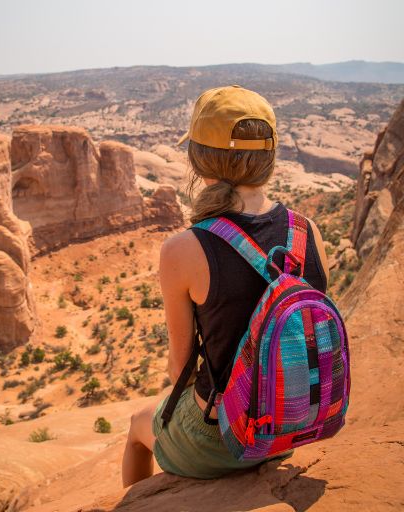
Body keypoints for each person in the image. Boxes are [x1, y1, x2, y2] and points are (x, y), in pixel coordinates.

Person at [121, 85, 330, 487]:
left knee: (136, 426)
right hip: (292, 424)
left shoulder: (184, 249)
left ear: (200, 161)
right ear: (269, 157)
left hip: (222, 439)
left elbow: (179, 368)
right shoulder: (308, 232)